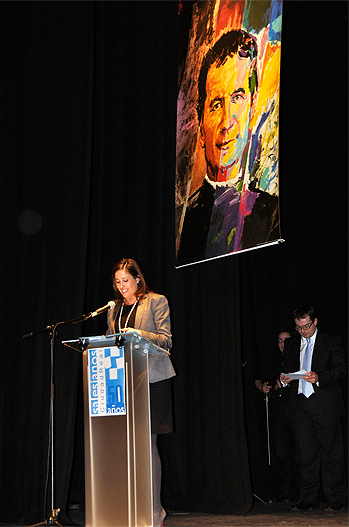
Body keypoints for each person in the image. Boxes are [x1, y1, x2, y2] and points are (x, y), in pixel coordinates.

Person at [177, 29, 279, 265]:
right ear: (201, 123)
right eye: (215, 104)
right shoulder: (182, 221)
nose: (227, 121)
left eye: (236, 98)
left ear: (252, 109)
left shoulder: (271, 215)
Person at [107, 258, 176, 527]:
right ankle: (132, 507)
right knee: (126, 446)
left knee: (148, 444)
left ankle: (156, 510)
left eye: (126, 280)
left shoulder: (156, 301)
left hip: (153, 379)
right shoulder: (113, 310)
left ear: (138, 279)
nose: (122, 286)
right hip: (122, 381)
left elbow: (166, 339)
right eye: (117, 282)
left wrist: (138, 334)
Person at [280, 305, 347, 512]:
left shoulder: (331, 341)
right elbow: (285, 369)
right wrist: (284, 380)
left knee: (331, 453)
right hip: (301, 405)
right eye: (299, 328)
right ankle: (308, 499)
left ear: (315, 322)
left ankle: (336, 498)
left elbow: (340, 369)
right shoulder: (292, 344)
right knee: (305, 454)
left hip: (325, 404)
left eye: (306, 326)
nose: (303, 331)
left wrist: (319, 377)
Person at [254, 328, 299, 503]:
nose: (282, 344)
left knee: (298, 452)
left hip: (295, 408)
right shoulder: (272, 360)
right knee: (281, 452)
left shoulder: (298, 358)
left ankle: (300, 491)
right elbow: (259, 379)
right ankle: (285, 491)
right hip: (278, 409)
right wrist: (262, 388)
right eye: (279, 341)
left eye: (286, 341)